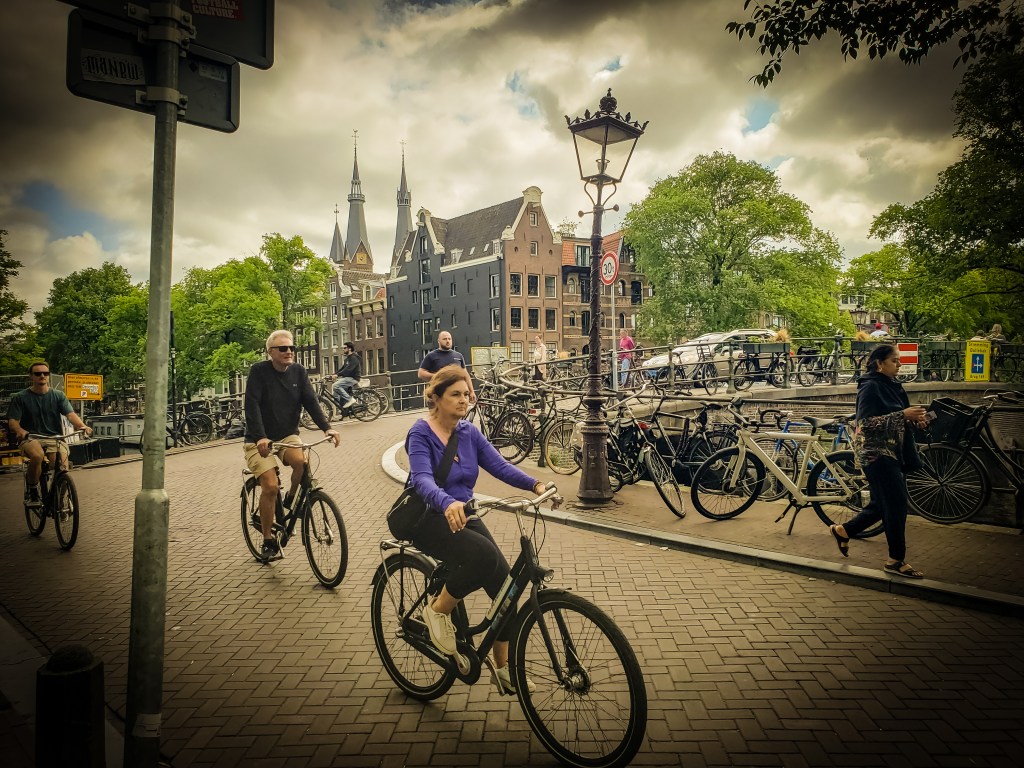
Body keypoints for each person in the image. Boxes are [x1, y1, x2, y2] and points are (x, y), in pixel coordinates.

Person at [406, 365, 545, 694]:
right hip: (429, 516)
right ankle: (437, 611)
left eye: (467, 394)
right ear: (436, 397)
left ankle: (503, 669)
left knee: (507, 590)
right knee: (482, 556)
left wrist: (535, 484)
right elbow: (422, 479)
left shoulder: (469, 433)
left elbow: (499, 465)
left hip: (463, 514)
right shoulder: (420, 432)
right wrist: (446, 502)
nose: (464, 400)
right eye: (455, 394)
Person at [827, 344, 930, 578]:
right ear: (879, 364)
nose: (899, 364)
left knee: (881, 504)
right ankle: (895, 560)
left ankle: (844, 530)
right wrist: (902, 415)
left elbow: (898, 417)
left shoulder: (893, 385)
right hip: (876, 454)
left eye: (899, 360)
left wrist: (915, 420)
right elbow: (865, 423)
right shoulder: (870, 387)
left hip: (893, 451)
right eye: (895, 360)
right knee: (897, 504)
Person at [244, 330, 340, 562]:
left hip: (287, 435)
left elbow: (311, 402)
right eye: (283, 348)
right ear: (270, 352)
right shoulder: (258, 372)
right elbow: (252, 405)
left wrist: (327, 428)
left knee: (302, 462)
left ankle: (291, 498)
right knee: (270, 486)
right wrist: (260, 437)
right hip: (259, 439)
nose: (289, 352)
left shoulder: (299, 372)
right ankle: (268, 539)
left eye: (291, 348)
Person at [7, 361, 93, 507]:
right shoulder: (20, 397)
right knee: (37, 456)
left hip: (54, 438)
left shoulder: (58, 395)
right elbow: (13, 421)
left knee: (62, 468)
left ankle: (60, 500)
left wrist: (82, 426)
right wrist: (21, 431)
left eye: (45, 373)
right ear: (31, 376)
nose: (42, 376)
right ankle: (33, 492)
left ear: (48, 375)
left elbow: (70, 414)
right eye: (38, 373)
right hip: (31, 438)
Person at [418, 330, 475, 401]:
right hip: (439, 393)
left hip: (457, 393)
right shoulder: (431, 356)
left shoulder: (458, 356)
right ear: (438, 341)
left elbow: (465, 375)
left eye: (449, 339)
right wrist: (438, 376)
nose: (447, 341)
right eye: (444, 339)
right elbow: (421, 373)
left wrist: (471, 391)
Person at [332, 342, 362, 412]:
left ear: (350, 349)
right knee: (338, 393)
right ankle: (345, 412)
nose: (343, 349)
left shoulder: (354, 358)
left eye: (345, 348)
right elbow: (343, 368)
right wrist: (333, 374)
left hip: (353, 378)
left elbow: (348, 370)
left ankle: (350, 399)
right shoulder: (347, 359)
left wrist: (337, 375)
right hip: (347, 378)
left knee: (335, 386)